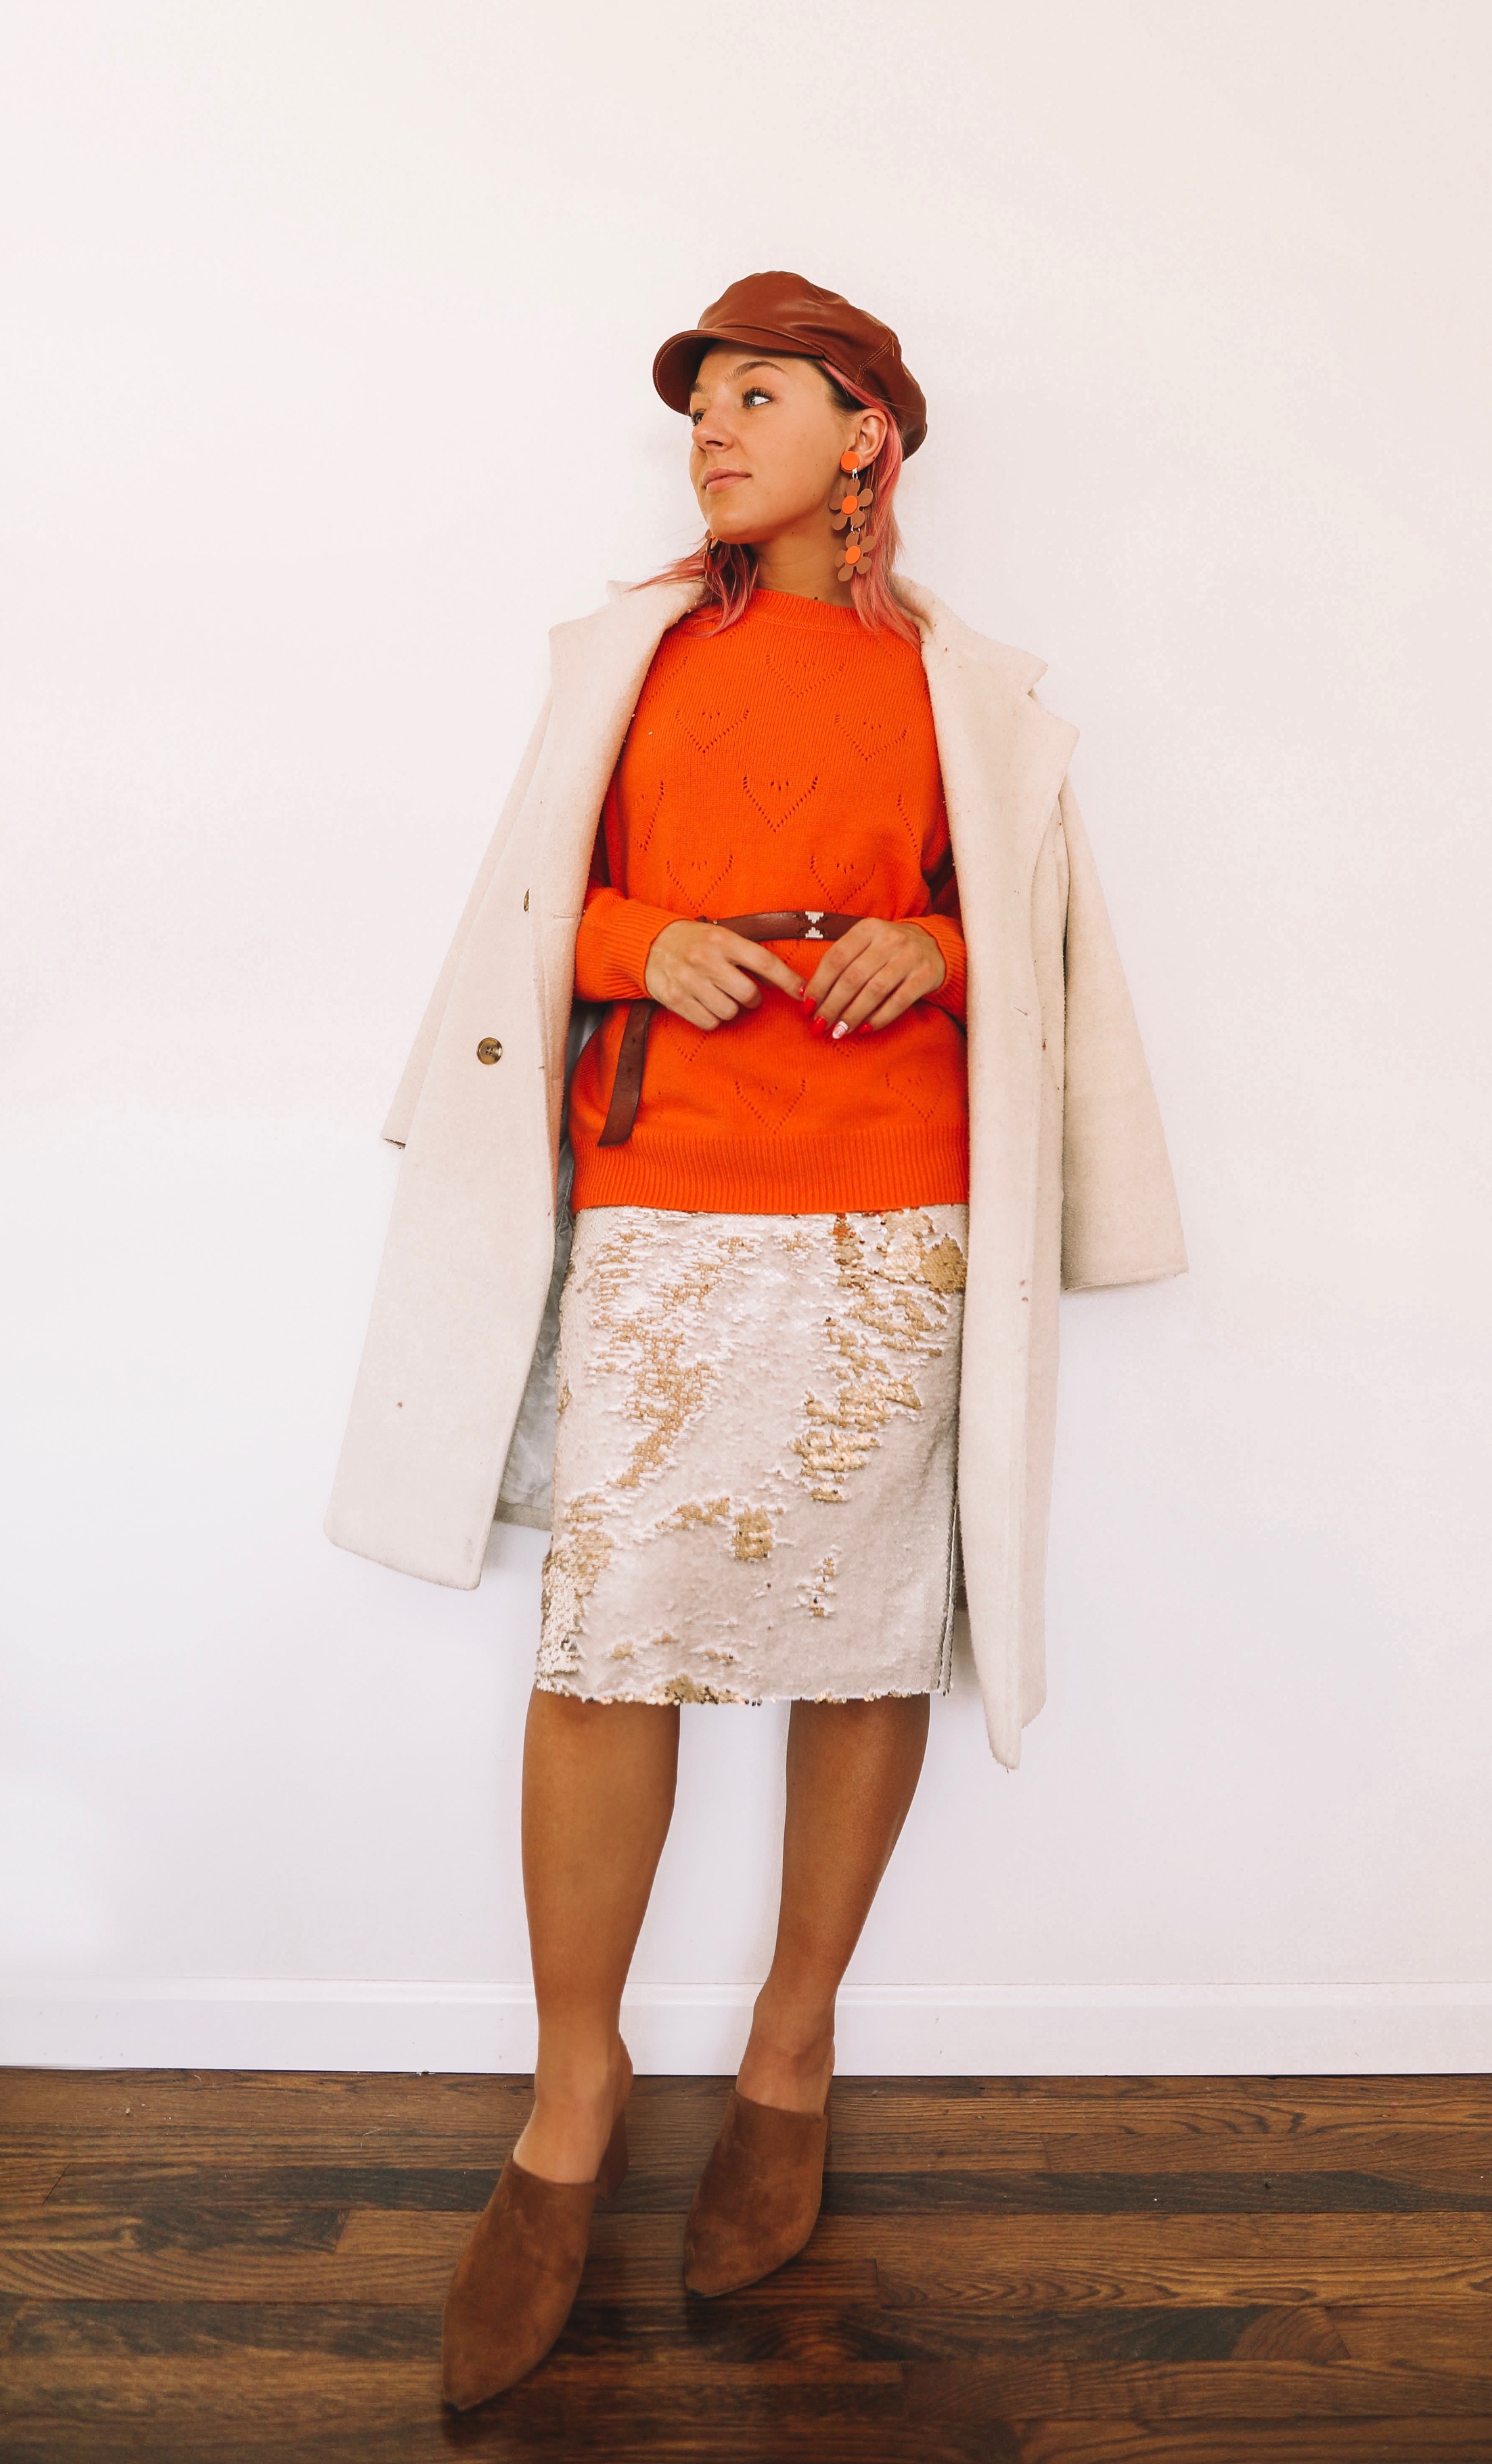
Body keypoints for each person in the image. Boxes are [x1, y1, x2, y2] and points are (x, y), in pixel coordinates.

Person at [325, 274, 1187, 2410]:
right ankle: (572, 2102)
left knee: (864, 1632)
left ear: (862, 436)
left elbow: (1028, 934)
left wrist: (937, 950)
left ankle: (789, 2053)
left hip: (893, 1211)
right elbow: (534, 910)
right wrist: (644, 942)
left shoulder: (967, 690)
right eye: (701, 401)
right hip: (665, 1197)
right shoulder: (625, 655)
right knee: (608, 1640)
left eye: (758, 395)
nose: (712, 430)